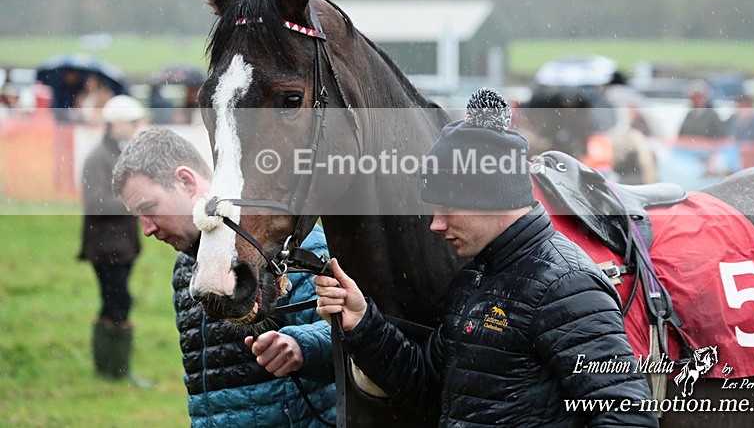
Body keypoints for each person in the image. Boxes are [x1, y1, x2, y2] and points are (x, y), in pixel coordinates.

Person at [313, 88, 657, 426]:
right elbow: (428, 391)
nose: (436, 224)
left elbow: (628, 417)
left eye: (447, 207)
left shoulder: (568, 286)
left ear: (493, 198)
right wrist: (362, 323)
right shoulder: (472, 279)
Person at [112, 126, 336, 427]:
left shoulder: (289, 246)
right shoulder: (184, 267)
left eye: (148, 209)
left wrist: (302, 346)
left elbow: (350, 336)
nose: (147, 229)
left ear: (185, 181)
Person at [78, 94, 147, 383]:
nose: (135, 127)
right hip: (106, 246)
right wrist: (135, 201)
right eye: (131, 122)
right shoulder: (98, 157)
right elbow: (95, 203)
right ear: (116, 123)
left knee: (115, 302)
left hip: (120, 245)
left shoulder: (119, 154)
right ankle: (117, 371)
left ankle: (108, 370)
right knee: (118, 302)